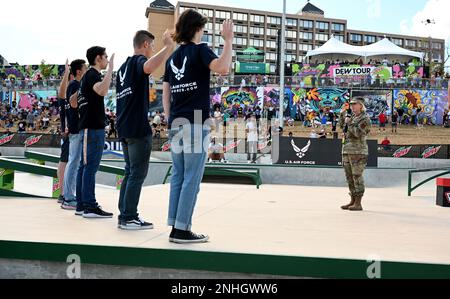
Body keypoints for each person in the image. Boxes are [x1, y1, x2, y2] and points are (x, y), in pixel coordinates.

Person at [163, 9, 233, 244]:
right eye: (202, 28)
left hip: (176, 121)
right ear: (196, 29)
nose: (203, 33)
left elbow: (166, 90)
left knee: (179, 176)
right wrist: (228, 40)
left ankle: (175, 225)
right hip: (194, 121)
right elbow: (223, 68)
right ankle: (182, 230)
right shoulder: (200, 50)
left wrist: (169, 117)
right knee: (192, 177)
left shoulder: (172, 57)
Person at [116, 30, 175, 230]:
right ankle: (129, 217)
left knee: (129, 172)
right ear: (145, 45)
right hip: (136, 128)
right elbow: (148, 66)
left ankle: (124, 213)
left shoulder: (123, 68)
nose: (153, 50)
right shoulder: (137, 62)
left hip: (123, 128)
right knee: (137, 174)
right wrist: (168, 48)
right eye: (153, 46)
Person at [76, 46, 115, 218]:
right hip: (92, 128)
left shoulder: (87, 77)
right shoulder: (92, 74)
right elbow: (102, 90)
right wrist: (111, 69)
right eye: (106, 57)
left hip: (90, 127)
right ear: (98, 58)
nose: (107, 59)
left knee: (85, 167)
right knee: (89, 168)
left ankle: (82, 205)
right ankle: (89, 206)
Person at [60, 59, 88, 210]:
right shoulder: (75, 85)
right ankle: (68, 197)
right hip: (76, 130)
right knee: (73, 162)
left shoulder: (73, 85)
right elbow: (73, 105)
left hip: (74, 129)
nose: (87, 70)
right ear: (79, 71)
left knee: (74, 162)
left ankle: (68, 196)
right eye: (85, 68)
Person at [339, 97, 372, 212]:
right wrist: (342, 114)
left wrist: (350, 124)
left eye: (355, 104)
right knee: (349, 176)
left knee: (357, 176)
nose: (352, 106)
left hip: (358, 151)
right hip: (347, 149)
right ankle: (352, 200)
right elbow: (342, 127)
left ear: (361, 105)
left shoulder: (365, 119)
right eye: (351, 104)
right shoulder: (351, 117)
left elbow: (358, 133)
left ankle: (358, 202)